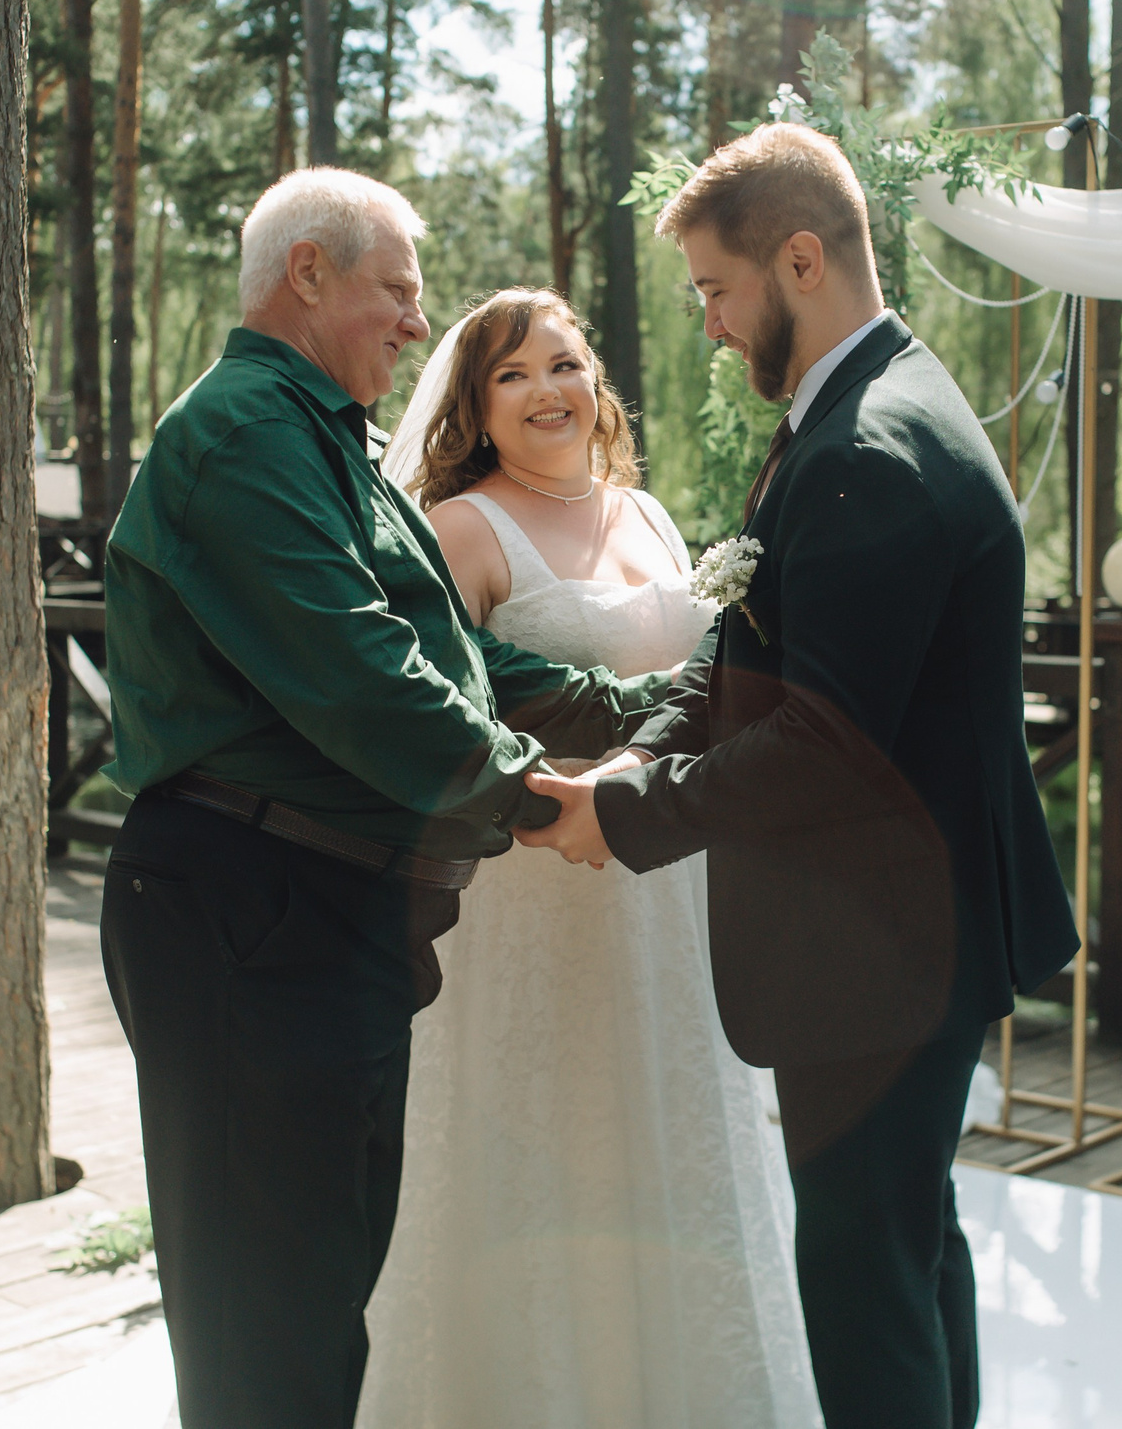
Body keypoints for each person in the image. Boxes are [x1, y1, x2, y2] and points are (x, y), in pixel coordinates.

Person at [523, 122, 1082, 1429]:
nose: (712, 323)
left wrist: (626, 811)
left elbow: (827, 736)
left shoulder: (864, 453)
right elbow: (752, 651)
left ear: (799, 257)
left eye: (719, 289)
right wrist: (645, 749)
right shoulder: (873, 404)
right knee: (905, 1238)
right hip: (909, 929)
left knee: (859, 1267)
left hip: (878, 941)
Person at [98, 171, 666, 1429]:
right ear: (309, 274)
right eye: (399, 292)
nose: (419, 326)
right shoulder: (247, 432)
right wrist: (531, 799)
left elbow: (465, 662)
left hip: (318, 916)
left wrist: (647, 708)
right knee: (270, 1329)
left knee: (314, 1303)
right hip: (251, 913)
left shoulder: (321, 439)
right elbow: (355, 668)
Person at [359, 288, 820, 1429]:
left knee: (674, 1128)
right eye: (512, 375)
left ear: (595, 382)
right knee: (546, 1143)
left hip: (669, 885)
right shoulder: (464, 526)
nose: (546, 391)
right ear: (472, 405)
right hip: (536, 891)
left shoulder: (649, 516)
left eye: (563, 364)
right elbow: (447, 713)